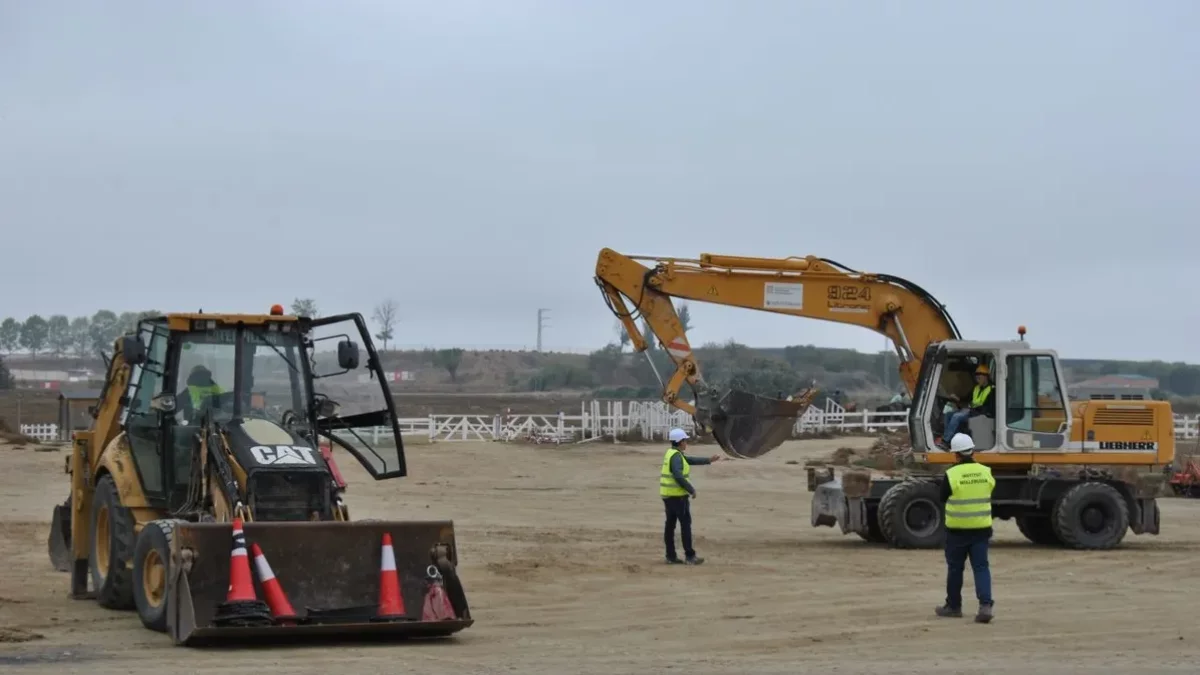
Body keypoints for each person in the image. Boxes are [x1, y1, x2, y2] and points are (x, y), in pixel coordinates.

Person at [935, 432, 996, 623]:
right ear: (972, 451)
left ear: (956, 455)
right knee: (981, 567)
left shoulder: (952, 474)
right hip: (981, 530)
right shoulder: (986, 471)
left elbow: (942, 497)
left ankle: (953, 606)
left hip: (957, 531)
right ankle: (985, 605)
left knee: (955, 569)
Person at [660, 427, 722, 565]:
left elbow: (689, 460)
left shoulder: (672, 453)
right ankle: (690, 556)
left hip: (668, 496)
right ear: (680, 441)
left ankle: (670, 556)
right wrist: (691, 489)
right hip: (678, 497)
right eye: (685, 440)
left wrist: (708, 460)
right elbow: (677, 474)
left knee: (670, 526)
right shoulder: (676, 456)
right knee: (685, 525)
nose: (686, 443)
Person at [940, 364, 995, 448]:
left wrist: (972, 409)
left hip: (981, 413)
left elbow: (990, 407)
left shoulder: (992, 389)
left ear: (985, 377)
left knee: (957, 416)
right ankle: (953, 440)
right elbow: (967, 399)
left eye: (979, 377)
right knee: (948, 415)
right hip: (972, 411)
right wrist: (958, 398)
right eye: (976, 377)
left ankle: (945, 441)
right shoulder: (976, 388)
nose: (977, 379)